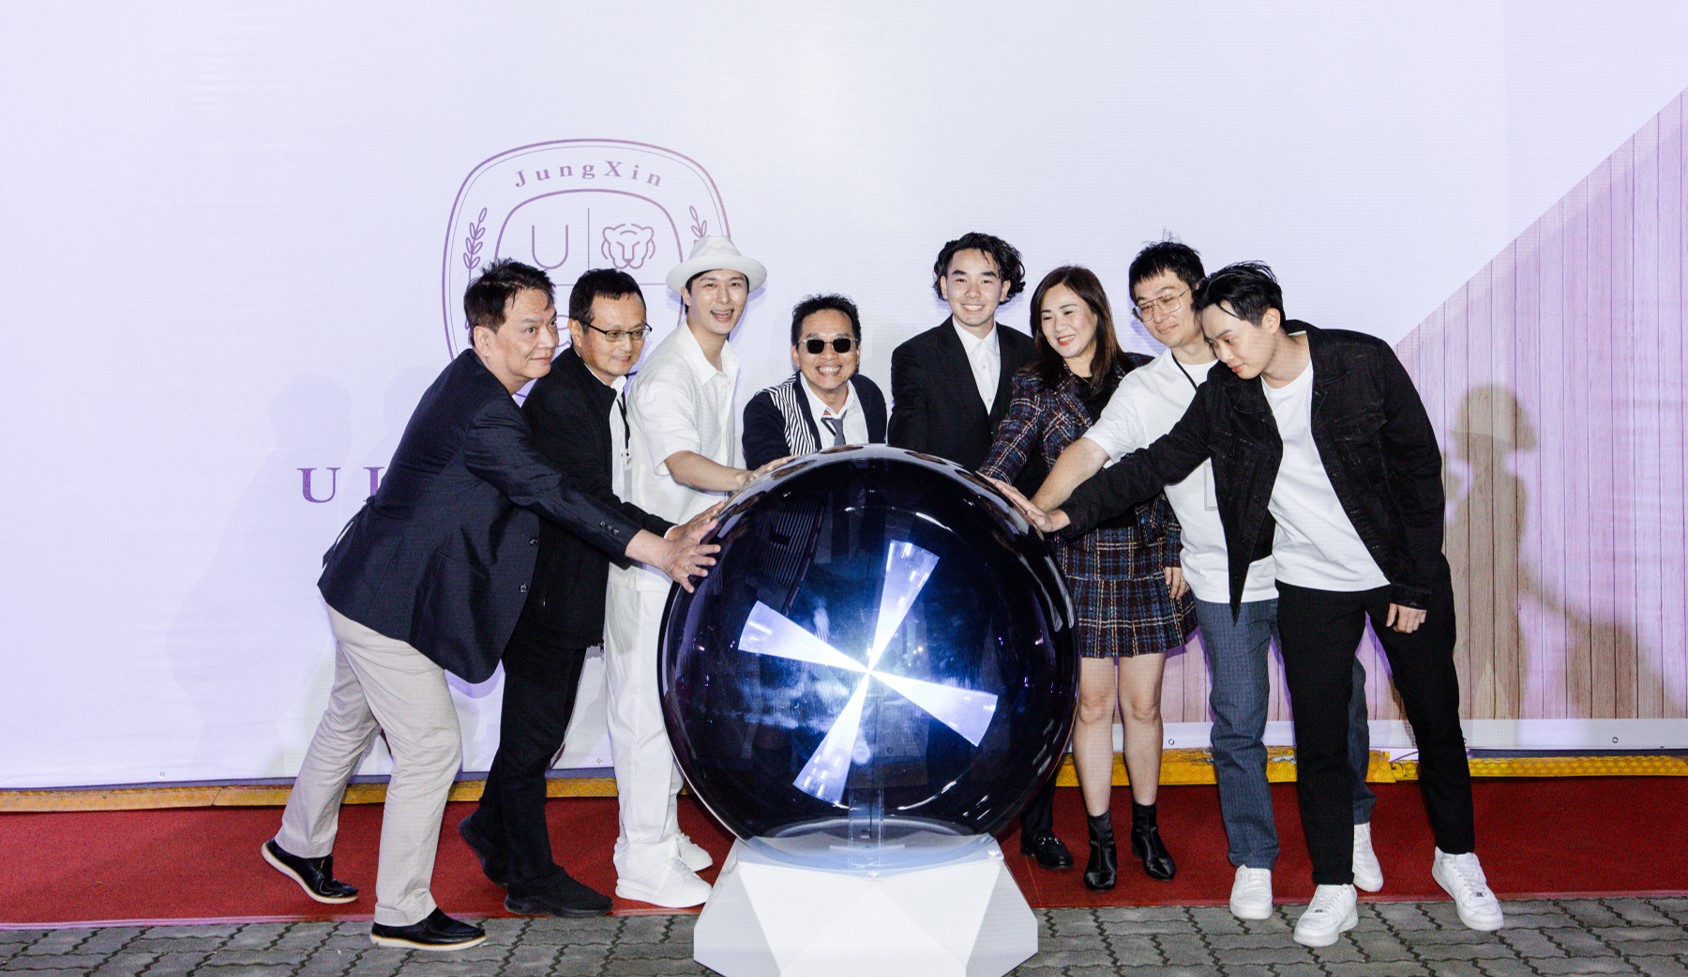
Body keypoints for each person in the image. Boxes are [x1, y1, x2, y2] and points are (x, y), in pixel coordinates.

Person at [1005, 262, 1503, 946]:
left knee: (1436, 718)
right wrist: (1063, 516)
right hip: (1306, 582)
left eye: (1229, 338)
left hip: (1395, 574)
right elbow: (1153, 465)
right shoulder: (1228, 390)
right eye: (1213, 341)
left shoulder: (1360, 362)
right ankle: (1332, 885)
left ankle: (1458, 857)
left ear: (1270, 319)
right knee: (1315, 734)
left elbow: (1419, 471)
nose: (1223, 354)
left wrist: (1415, 584)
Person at [263, 259, 716, 951]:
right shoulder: (486, 413)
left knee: (348, 717)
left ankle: (298, 841)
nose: (546, 340)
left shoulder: (479, 388)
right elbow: (553, 492)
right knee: (432, 745)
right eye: (529, 328)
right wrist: (660, 548)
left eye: (548, 324)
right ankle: (402, 910)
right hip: (385, 600)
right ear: (484, 337)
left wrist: (660, 534)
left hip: (370, 583)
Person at [1029, 242, 1380, 919]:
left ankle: (1356, 823)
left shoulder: (1256, 358)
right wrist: (1042, 513)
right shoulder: (1145, 388)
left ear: (1199, 293)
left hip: (1308, 567)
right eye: (1143, 307)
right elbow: (1093, 452)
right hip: (1223, 579)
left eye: (1168, 298)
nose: (1158, 314)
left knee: (1340, 704)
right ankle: (1253, 857)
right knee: (1237, 720)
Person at [456, 268, 711, 918]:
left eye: (637, 332)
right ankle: (530, 878)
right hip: (542, 597)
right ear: (576, 330)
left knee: (539, 733)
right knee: (532, 740)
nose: (627, 346)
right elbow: (588, 500)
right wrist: (668, 534)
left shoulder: (601, 389)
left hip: (568, 592)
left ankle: (489, 829)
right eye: (611, 333)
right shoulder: (561, 401)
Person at [979, 266, 1194, 891]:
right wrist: (981, 497)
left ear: (1098, 313)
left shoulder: (1145, 374)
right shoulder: (1035, 385)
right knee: (1093, 706)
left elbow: (1172, 470)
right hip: (1079, 556)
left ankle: (1146, 829)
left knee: (1144, 706)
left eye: (1068, 312)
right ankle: (1102, 838)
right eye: (1046, 317)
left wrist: (1176, 545)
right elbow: (1004, 457)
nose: (1058, 327)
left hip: (1148, 557)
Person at [606, 236, 784, 908]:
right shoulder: (667, 372)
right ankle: (642, 859)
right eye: (710, 285)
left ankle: (659, 835)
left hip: (689, 565)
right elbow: (681, 462)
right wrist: (747, 480)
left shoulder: (719, 362)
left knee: (672, 708)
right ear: (685, 294)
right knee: (643, 717)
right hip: (651, 566)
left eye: (735, 285)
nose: (725, 298)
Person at [887, 232, 1070, 872]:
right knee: (946, 685)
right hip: (952, 548)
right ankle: (951, 817)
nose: (972, 291)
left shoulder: (1034, 353)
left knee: (1038, 686)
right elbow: (913, 451)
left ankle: (1039, 827)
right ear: (942, 285)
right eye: (959, 278)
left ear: (1007, 287)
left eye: (987, 278)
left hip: (1026, 545)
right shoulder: (915, 355)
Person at [742, 293, 887, 467]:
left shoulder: (868, 394)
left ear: (857, 352)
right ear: (796, 355)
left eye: (841, 343)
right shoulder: (768, 408)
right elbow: (769, 476)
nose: (829, 355)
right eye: (815, 345)